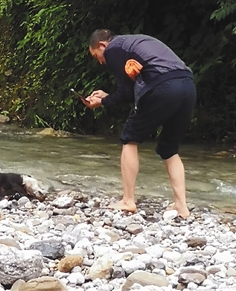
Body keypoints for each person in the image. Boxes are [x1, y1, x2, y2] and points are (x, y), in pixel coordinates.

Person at [84, 29, 196, 218]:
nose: (101, 62)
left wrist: (102, 101)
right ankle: (181, 206)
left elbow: (126, 92)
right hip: (188, 85)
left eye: (97, 56)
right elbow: (127, 91)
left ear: (102, 45)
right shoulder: (133, 42)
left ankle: (128, 200)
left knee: (129, 137)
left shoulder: (113, 49)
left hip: (163, 87)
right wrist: (107, 97)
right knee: (169, 148)